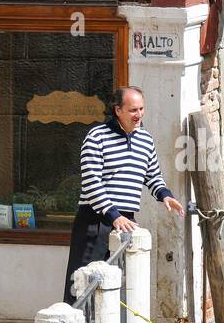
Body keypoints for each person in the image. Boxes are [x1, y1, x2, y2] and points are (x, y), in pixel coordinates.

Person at [63, 86, 185, 303]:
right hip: (96, 220)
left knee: (118, 287)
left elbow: (153, 175)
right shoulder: (96, 136)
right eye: (133, 110)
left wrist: (165, 195)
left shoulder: (145, 139)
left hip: (126, 220)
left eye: (141, 109)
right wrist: (114, 215)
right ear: (117, 110)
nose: (139, 115)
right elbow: (92, 183)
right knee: (83, 285)